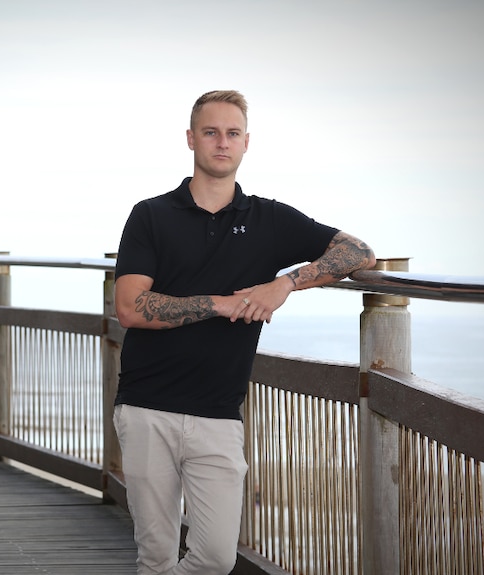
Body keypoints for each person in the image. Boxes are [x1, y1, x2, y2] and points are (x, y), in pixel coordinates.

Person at [112, 90, 375, 575]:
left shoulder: (269, 220)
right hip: (148, 407)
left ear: (246, 143)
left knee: (213, 559)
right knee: (156, 557)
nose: (221, 143)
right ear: (191, 139)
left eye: (232, 134)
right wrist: (221, 303)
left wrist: (285, 284)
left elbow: (359, 252)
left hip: (218, 413)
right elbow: (130, 307)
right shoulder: (150, 215)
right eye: (210, 132)